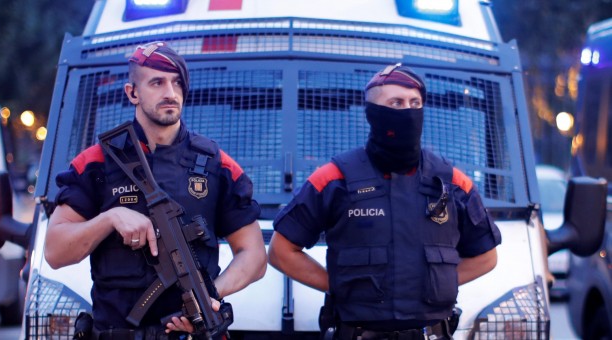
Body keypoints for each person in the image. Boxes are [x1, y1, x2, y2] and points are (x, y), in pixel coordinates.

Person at [45, 41, 267, 339]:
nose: (170, 93)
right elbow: (55, 251)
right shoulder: (96, 162)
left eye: (177, 83)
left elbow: (253, 255)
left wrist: (208, 298)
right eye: (157, 82)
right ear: (132, 92)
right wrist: (110, 219)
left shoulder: (217, 164)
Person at [268, 63, 501, 340]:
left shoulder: (452, 182)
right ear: (373, 114)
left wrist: (435, 284)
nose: (409, 111)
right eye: (397, 103)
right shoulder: (334, 178)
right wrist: (339, 285)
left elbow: (486, 257)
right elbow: (280, 251)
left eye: (415, 103)